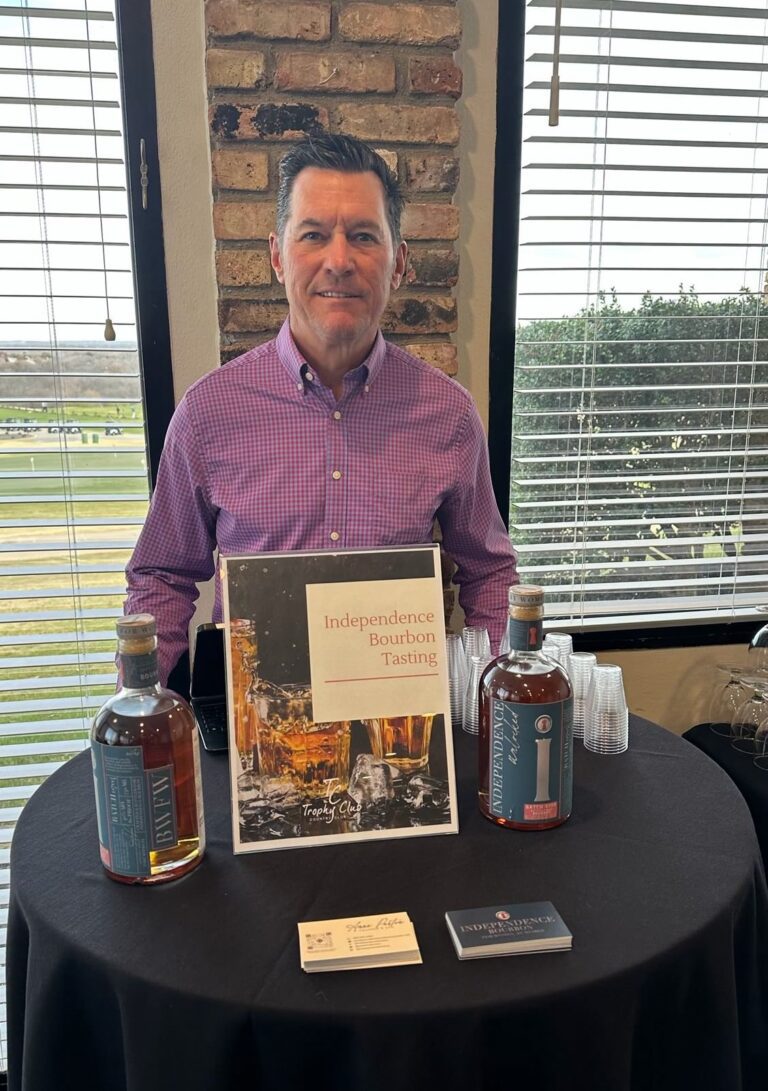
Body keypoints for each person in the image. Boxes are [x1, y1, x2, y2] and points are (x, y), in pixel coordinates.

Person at [125, 133, 517, 684]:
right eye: (313, 235)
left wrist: (495, 696)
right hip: (258, 731)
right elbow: (161, 577)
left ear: (399, 263)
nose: (339, 261)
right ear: (277, 258)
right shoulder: (208, 413)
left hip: (399, 731)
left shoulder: (448, 414)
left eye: (363, 236)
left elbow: (491, 573)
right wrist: (140, 712)